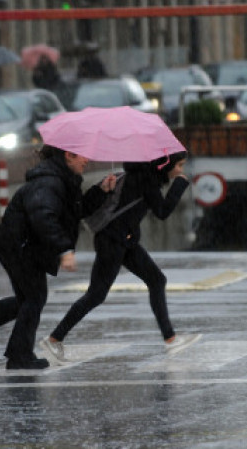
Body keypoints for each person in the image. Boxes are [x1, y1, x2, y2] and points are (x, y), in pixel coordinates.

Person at [0, 146, 112, 369]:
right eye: (82, 154)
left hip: (24, 245)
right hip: (18, 245)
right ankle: (19, 355)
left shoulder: (64, 179)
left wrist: (101, 190)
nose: (87, 159)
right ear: (68, 155)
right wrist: (64, 249)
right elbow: (42, 216)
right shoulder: (49, 182)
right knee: (34, 297)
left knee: (27, 299)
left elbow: (75, 212)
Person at [40, 151, 201, 365]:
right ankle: (54, 338)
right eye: (179, 165)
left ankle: (170, 338)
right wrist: (179, 185)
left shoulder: (140, 176)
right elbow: (162, 212)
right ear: (165, 165)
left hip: (124, 240)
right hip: (112, 241)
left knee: (156, 280)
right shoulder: (145, 179)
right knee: (96, 294)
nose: (180, 170)